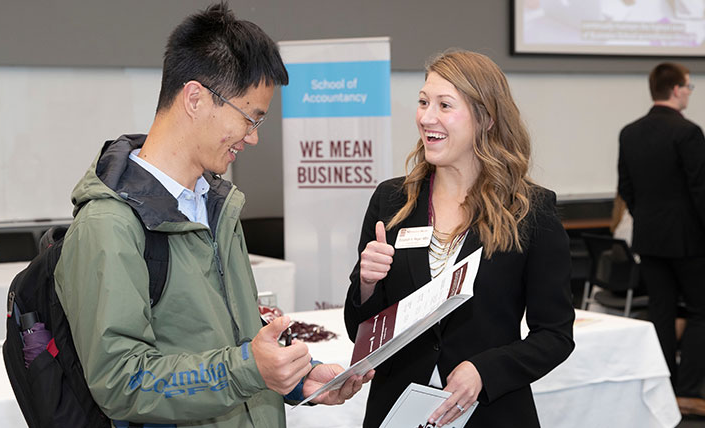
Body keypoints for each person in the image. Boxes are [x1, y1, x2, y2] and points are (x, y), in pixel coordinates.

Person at [54, 4, 371, 427]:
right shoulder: (110, 225)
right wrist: (248, 370)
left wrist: (298, 379)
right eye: (249, 117)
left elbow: (230, 339)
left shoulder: (216, 205)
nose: (253, 137)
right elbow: (120, 381)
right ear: (195, 98)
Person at [344, 49, 575, 427]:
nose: (426, 117)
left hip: (491, 412)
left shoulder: (530, 210)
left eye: (444, 105)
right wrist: (367, 285)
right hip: (398, 410)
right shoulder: (391, 201)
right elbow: (361, 333)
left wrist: (485, 371)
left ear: (486, 118)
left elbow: (555, 335)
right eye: (422, 102)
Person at [618, 61, 705, 416]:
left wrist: (648, 221)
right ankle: (689, 390)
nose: (689, 93)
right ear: (676, 89)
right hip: (689, 240)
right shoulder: (689, 133)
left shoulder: (630, 132)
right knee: (701, 312)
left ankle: (664, 386)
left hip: (649, 239)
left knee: (661, 312)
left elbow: (626, 188)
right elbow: (701, 191)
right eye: (688, 86)